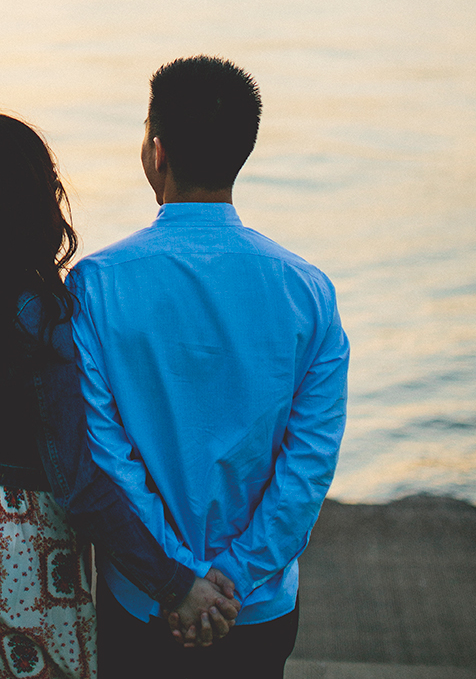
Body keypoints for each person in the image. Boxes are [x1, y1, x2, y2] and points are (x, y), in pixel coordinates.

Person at [0, 113, 240, 678]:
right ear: (34, 196)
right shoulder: (32, 309)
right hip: (22, 558)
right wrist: (176, 585)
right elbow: (76, 484)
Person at [70, 57, 350, 676]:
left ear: (156, 150)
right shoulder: (307, 291)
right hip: (253, 605)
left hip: (142, 598)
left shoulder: (96, 285)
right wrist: (233, 576)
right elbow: (309, 461)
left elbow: (103, 451)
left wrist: (178, 580)